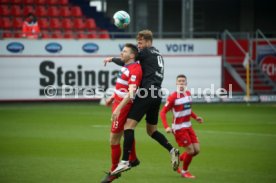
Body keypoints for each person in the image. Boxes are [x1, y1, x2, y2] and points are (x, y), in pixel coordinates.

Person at [104, 30, 180, 177]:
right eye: (138, 42)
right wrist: (112, 59)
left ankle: (125, 161)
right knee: (152, 130)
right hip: (157, 93)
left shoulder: (145, 52)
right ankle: (171, 150)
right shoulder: (157, 54)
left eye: (140, 42)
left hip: (147, 92)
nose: (138, 45)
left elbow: (128, 59)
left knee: (128, 126)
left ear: (148, 41)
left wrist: (112, 59)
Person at [101, 43, 142, 183]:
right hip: (117, 102)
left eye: (124, 51)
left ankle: (114, 171)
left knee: (114, 139)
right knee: (126, 131)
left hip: (122, 106)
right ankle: (133, 158)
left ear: (132, 55)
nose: (121, 53)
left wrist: (118, 108)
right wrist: (112, 98)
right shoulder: (127, 65)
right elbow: (122, 87)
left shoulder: (135, 69)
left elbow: (131, 93)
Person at [160, 74, 203, 179]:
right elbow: (162, 112)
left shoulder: (188, 94)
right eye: (179, 81)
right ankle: (184, 172)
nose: (181, 83)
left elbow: (188, 109)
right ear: (176, 83)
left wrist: (196, 117)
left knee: (196, 150)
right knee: (190, 151)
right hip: (179, 128)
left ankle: (177, 159)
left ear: (186, 83)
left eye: (183, 81)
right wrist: (166, 127)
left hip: (189, 126)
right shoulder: (173, 97)